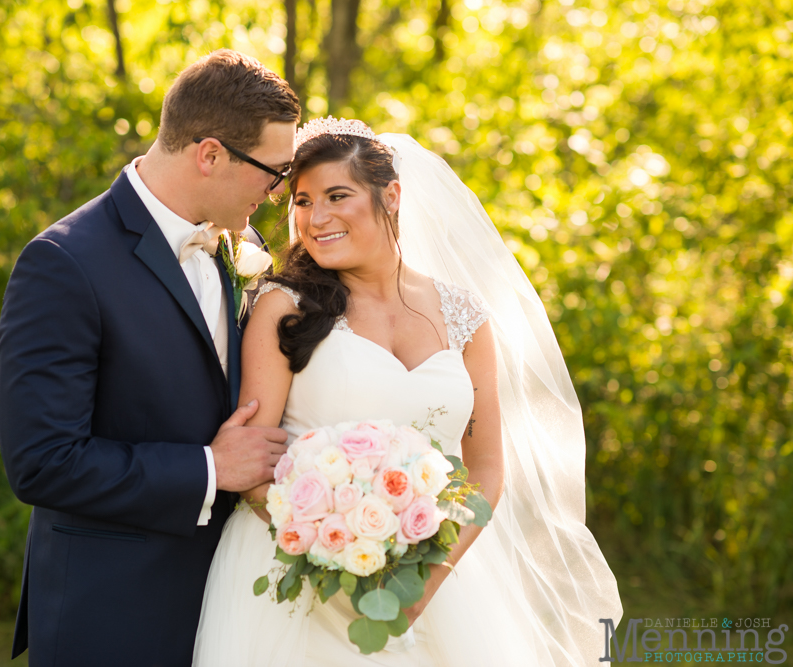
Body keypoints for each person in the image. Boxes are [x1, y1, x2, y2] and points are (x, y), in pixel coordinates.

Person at [192, 118, 623, 665]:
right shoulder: (285, 308)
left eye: (336, 196)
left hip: (430, 576)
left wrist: (423, 581)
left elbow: (486, 468)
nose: (315, 218)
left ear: (390, 195)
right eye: (302, 201)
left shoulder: (463, 315)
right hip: (298, 576)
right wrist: (337, 555)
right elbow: (253, 463)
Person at [0, 50, 299, 666]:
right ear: (210, 155)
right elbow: (43, 463)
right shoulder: (64, 263)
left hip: (235, 605)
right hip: (114, 610)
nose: (275, 195)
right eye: (273, 173)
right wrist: (210, 469)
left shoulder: (243, 245)